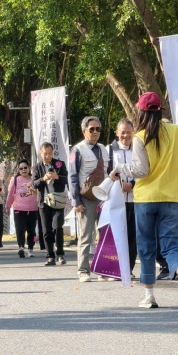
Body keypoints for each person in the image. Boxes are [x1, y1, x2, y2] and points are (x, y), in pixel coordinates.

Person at [111, 92, 178, 308]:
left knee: (146, 245)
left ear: (141, 112)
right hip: (171, 197)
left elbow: (141, 170)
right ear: (160, 110)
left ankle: (149, 296)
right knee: (171, 242)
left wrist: (120, 168)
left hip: (145, 199)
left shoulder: (140, 137)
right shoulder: (175, 131)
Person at [69, 116, 108, 282]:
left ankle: (103, 269)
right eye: (91, 129)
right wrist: (76, 201)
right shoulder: (77, 150)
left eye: (98, 129)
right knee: (86, 236)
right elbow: (72, 176)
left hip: (104, 197)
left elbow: (108, 172)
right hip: (86, 198)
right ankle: (83, 270)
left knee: (104, 234)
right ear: (84, 131)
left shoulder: (104, 149)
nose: (95, 132)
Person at [107, 119, 138, 276]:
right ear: (117, 133)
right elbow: (106, 172)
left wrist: (131, 184)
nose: (125, 135)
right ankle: (114, 268)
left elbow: (143, 170)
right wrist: (119, 184)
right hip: (115, 200)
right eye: (122, 132)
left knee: (132, 236)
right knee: (116, 235)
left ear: (134, 133)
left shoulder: (139, 149)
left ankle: (128, 270)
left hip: (134, 199)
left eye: (128, 132)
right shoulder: (109, 150)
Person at [31, 143, 69, 266]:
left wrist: (57, 177)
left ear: (53, 153)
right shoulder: (36, 167)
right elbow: (34, 184)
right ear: (41, 153)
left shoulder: (60, 164)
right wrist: (43, 178)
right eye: (45, 153)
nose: (47, 156)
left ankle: (60, 254)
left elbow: (66, 179)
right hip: (44, 202)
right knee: (46, 230)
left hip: (58, 201)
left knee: (57, 227)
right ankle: (50, 256)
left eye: (50, 153)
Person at [6, 160, 39, 258]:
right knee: (20, 229)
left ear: (29, 168)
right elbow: (10, 194)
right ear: (18, 170)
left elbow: (40, 192)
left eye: (25, 168)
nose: (23, 170)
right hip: (19, 209)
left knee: (32, 231)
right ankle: (21, 247)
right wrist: (8, 206)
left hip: (33, 209)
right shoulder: (15, 180)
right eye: (21, 168)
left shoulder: (34, 179)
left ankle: (30, 249)